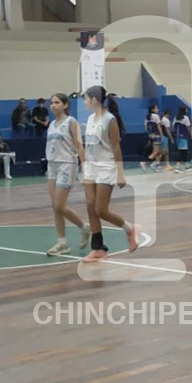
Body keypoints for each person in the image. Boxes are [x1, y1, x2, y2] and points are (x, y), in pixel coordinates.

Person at [80, 86, 141, 262]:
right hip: (91, 167)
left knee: (101, 209)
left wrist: (120, 173)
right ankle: (97, 248)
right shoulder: (90, 119)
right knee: (90, 207)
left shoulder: (110, 120)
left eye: (86, 99)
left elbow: (116, 147)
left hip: (106, 167)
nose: (84, 102)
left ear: (94, 100)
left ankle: (130, 229)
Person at [44, 93, 91, 256]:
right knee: (55, 207)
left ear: (65, 105)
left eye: (57, 102)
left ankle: (83, 227)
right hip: (52, 165)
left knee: (59, 205)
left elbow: (79, 146)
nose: (53, 105)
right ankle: (62, 242)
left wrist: (85, 169)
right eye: (52, 102)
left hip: (67, 164)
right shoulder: (51, 124)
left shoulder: (71, 122)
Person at [141, 105, 163, 172]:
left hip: (150, 135)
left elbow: (146, 128)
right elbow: (158, 126)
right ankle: (145, 162)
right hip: (156, 135)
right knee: (155, 152)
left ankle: (157, 165)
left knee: (159, 152)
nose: (157, 109)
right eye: (156, 108)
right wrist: (161, 135)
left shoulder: (147, 117)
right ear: (152, 109)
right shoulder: (156, 116)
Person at [173, 106, 192, 171]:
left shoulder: (175, 118)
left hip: (177, 137)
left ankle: (182, 165)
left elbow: (174, 127)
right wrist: (191, 135)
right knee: (184, 152)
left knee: (181, 151)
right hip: (183, 136)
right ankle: (180, 165)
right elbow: (188, 128)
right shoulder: (185, 118)